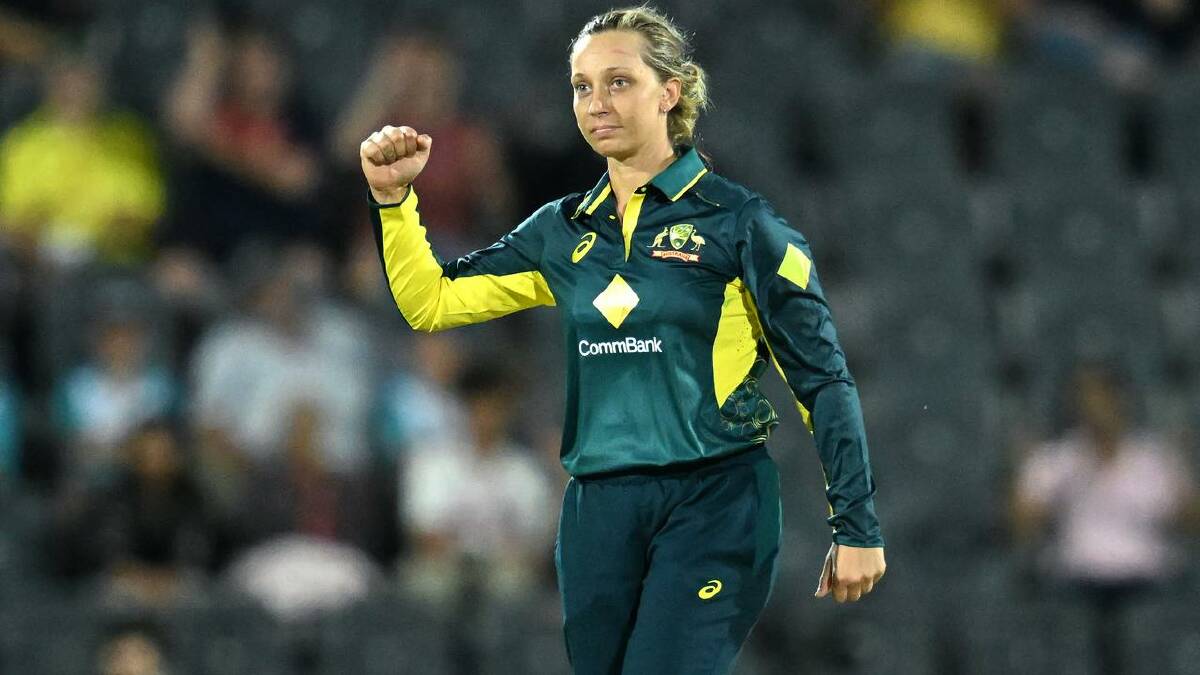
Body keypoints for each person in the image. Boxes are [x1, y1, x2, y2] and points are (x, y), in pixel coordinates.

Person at [360, 7, 887, 673]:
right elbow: (431, 302)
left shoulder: (745, 228)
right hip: (597, 512)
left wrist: (856, 523)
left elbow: (822, 379)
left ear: (670, 92)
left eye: (618, 82)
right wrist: (395, 205)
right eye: (582, 86)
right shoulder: (560, 231)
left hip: (714, 499)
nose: (595, 102)